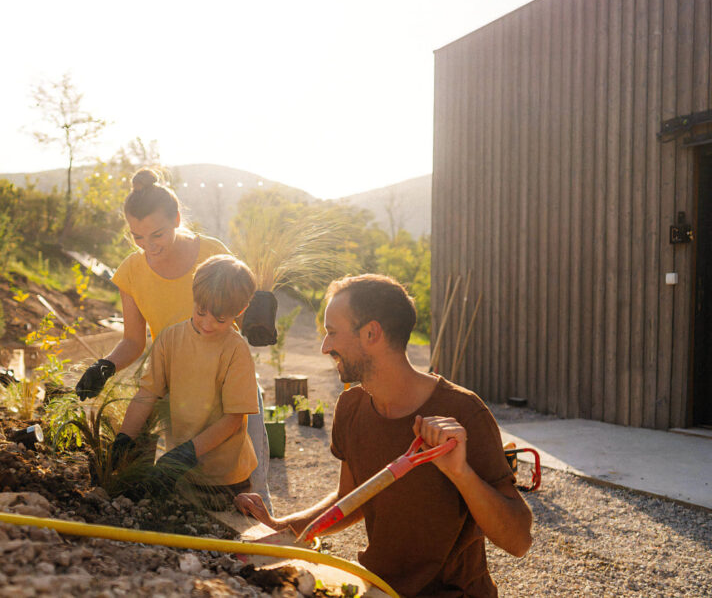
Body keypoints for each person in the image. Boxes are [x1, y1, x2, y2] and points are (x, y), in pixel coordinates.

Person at [235, 274, 532, 597]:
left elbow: (519, 541)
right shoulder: (351, 406)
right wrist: (285, 526)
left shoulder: (464, 412)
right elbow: (352, 498)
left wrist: (460, 472)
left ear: (371, 333)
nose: (324, 347)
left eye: (332, 333)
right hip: (379, 588)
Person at [73, 168, 273, 510]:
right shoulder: (131, 272)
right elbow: (135, 342)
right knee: (194, 476)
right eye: (137, 237)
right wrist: (105, 367)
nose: (149, 246)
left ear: (177, 218)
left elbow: (236, 303)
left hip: (226, 378)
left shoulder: (211, 251)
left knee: (251, 478)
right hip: (180, 384)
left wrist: (259, 311)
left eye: (157, 234)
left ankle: (264, 537)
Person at [112, 255, 259, 503]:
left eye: (220, 319)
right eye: (201, 312)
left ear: (240, 311)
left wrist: (188, 453)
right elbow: (147, 393)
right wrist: (125, 437)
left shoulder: (236, 350)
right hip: (182, 472)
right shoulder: (170, 339)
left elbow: (234, 419)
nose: (208, 324)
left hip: (226, 478)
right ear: (194, 297)